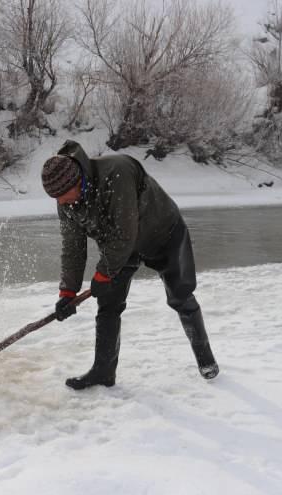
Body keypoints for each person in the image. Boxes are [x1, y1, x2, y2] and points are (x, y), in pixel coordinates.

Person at [41, 140, 219, 390]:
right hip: (119, 247)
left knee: (180, 297)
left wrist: (103, 275)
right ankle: (103, 372)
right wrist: (67, 292)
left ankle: (205, 359)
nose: (60, 203)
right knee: (108, 305)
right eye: (55, 198)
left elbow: (125, 232)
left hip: (163, 233)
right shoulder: (66, 200)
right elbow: (72, 247)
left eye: (62, 196)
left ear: (76, 181)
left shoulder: (116, 172)